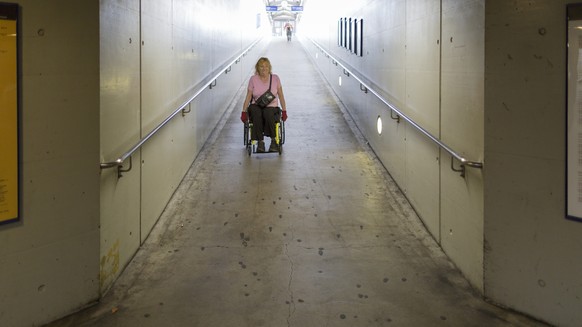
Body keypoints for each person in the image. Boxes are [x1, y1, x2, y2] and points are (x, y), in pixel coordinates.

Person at [241, 57, 288, 153]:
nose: (264, 68)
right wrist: (244, 111)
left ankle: (273, 141)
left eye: (266, 66)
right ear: (257, 68)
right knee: (256, 112)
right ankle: (260, 142)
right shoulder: (253, 79)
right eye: (261, 66)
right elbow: (248, 96)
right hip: (256, 105)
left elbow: (281, 96)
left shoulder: (275, 78)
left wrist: (284, 110)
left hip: (272, 107)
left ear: (269, 68)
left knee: (268, 113)